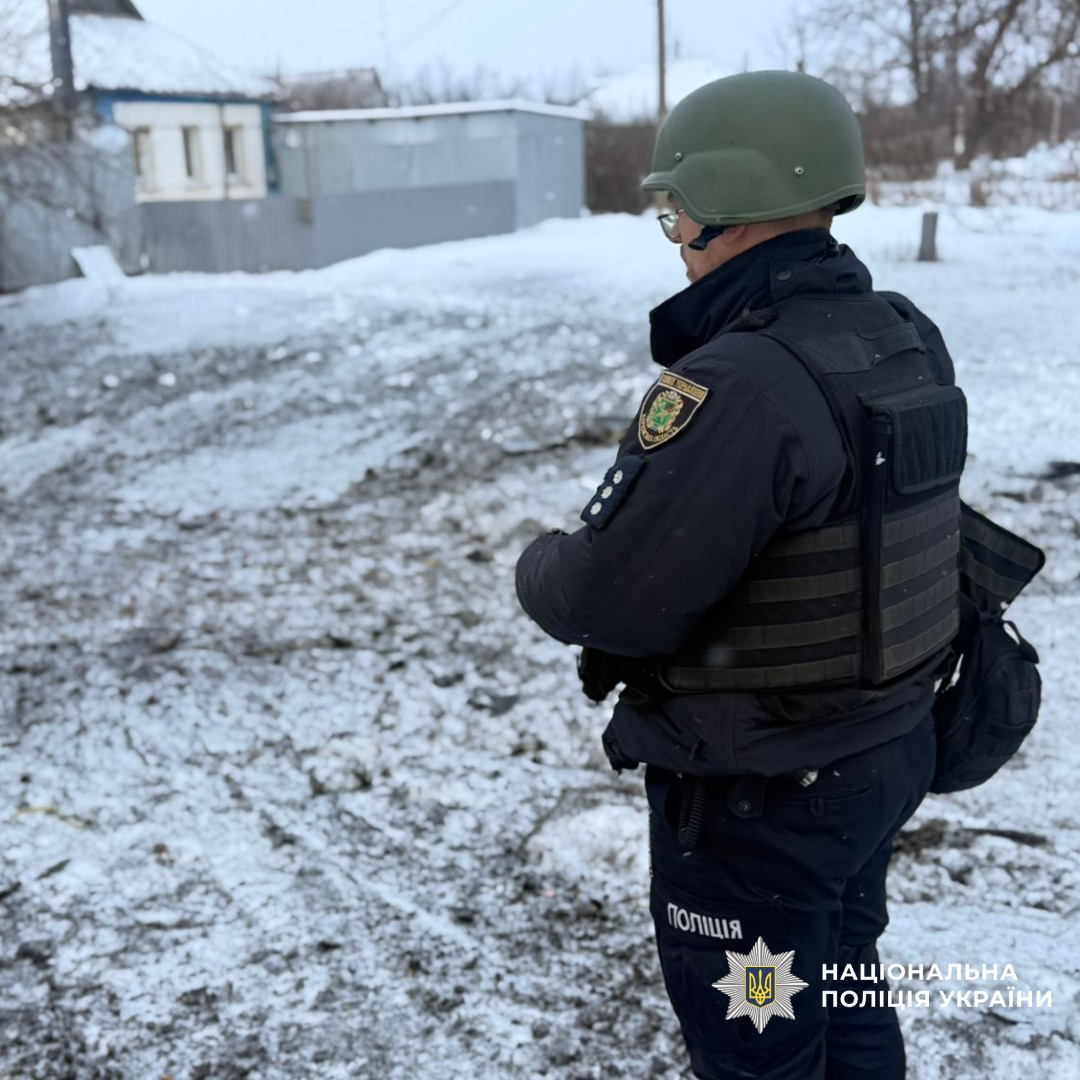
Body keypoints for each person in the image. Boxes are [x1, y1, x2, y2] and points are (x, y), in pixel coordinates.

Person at [515, 70, 970, 1079]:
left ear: (720, 207)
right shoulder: (898, 334)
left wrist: (535, 565)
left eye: (673, 210)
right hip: (878, 756)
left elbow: (607, 598)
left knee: (759, 1041)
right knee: (845, 984)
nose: (673, 235)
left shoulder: (738, 384)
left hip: (764, 798)